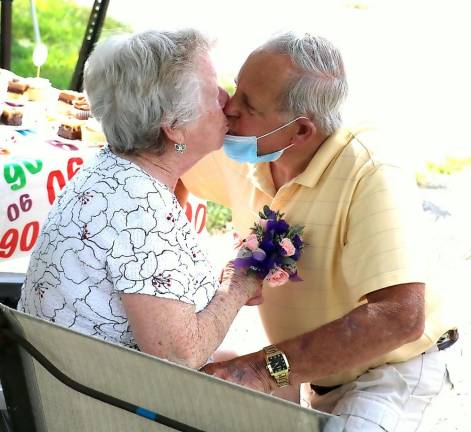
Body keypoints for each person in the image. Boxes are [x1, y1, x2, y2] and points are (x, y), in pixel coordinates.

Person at [182, 32, 458, 430]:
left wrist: (262, 369)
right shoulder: (249, 145)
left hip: (392, 371)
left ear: (300, 132)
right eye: (235, 88)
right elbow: (172, 171)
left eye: (248, 104)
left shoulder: (371, 172)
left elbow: (400, 317)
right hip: (310, 370)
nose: (229, 108)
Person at [18, 29, 262, 370]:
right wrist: (238, 285)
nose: (227, 100)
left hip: (68, 382)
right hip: (100, 405)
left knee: (259, 369)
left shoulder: (114, 169)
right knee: (277, 377)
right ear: (174, 127)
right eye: (213, 91)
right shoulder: (140, 211)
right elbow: (182, 356)